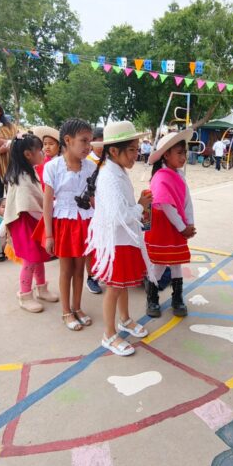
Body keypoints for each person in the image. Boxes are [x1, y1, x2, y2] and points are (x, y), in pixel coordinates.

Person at [85, 121, 154, 356]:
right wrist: (140, 206)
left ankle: (125, 319)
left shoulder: (118, 170)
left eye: (137, 149)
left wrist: (138, 206)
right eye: (132, 150)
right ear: (114, 151)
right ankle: (109, 334)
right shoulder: (109, 177)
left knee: (122, 284)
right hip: (115, 242)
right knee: (114, 288)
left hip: (125, 239)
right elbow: (119, 216)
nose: (137, 154)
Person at [36, 118, 96, 331]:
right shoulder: (52, 167)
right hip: (63, 223)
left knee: (81, 268)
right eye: (84, 141)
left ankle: (78, 307)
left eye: (90, 141)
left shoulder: (90, 167)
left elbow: (92, 198)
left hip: (84, 222)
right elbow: (47, 202)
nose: (88, 146)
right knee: (66, 269)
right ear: (68, 140)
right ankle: (66, 312)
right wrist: (49, 235)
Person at [144, 129, 196, 318]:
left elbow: (187, 200)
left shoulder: (179, 175)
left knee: (176, 263)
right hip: (164, 225)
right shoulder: (161, 176)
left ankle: (177, 298)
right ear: (166, 154)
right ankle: (152, 298)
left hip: (178, 225)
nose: (183, 157)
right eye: (179, 153)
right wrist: (183, 227)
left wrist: (189, 223)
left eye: (185, 153)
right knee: (158, 264)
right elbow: (165, 204)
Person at [4, 134, 58, 313]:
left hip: (33, 222)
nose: (43, 152)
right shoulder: (22, 178)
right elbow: (30, 207)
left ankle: (41, 288)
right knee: (30, 259)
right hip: (26, 224)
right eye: (40, 149)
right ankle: (25, 294)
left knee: (38, 256)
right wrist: (48, 214)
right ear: (28, 154)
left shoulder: (28, 171)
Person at [84, 127, 105, 295]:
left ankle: (103, 271)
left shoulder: (109, 160)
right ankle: (91, 277)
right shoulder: (88, 161)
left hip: (105, 208)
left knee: (103, 243)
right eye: (101, 141)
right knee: (91, 245)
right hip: (92, 209)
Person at [32, 126, 61, 191]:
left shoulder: (61, 162)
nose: (47, 147)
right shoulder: (40, 161)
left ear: (59, 146)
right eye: (45, 144)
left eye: (51, 144)